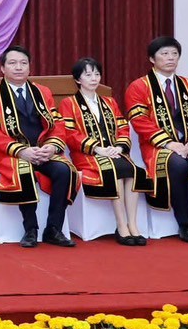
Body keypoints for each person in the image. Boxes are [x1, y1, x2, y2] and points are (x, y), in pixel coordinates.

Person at [125, 36, 188, 243]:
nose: (170, 58)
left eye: (174, 54)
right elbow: (140, 121)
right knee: (178, 166)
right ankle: (184, 224)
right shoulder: (139, 86)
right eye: (164, 54)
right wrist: (169, 143)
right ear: (152, 59)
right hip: (159, 146)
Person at [0, 46, 78, 248]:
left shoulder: (42, 92)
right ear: (2, 68)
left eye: (23, 63)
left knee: (64, 170)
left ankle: (54, 228)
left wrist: (51, 147)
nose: (18, 68)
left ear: (29, 67)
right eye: (13, 63)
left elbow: (57, 124)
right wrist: (21, 151)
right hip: (10, 154)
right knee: (23, 171)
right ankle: (30, 229)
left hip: (42, 151)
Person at [56, 58, 146, 245]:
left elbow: (122, 127)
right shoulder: (69, 103)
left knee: (134, 170)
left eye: (97, 74)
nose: (94, 78)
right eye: (88, 74)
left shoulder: (109, 102)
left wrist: (119, 147)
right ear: (78, 79)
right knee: (117, 170)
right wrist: (98, 149)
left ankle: (133, 225)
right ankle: (121, 225)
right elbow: (71, 134)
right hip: (87, 155)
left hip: (114, 152)